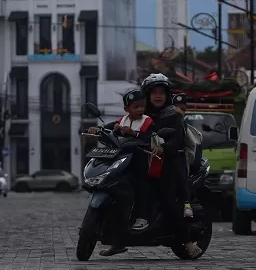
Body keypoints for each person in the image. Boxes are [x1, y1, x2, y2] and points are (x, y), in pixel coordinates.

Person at [141, 73, 203, 259]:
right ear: (147, 95)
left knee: (169, 202)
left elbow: (176, 140)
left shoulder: (173, 114)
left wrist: (163, 149)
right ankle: (117, 241)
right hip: (144, 161)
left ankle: (188, 242)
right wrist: (104, 129)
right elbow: (123, 125)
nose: (158, 96)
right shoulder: (140, 114)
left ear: (167, 95)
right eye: (154, 92)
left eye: (161, 92)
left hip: (168, 163)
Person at [87, 89, 154, 256]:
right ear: (127, 109)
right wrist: (96, 129)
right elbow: (108, 128)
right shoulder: (122, 120)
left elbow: (148, 137)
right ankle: (116, 242)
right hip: (122, 162)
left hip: (140, 162)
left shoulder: (147, 121)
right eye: (136, 106)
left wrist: (133, 133)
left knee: (141, 187)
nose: (140, 109)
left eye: (142, 106)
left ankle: (142, 218)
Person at [171, 92, 197, 218]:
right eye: (177, 108)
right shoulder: (164, 120)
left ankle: (187, 204)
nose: (180, 111)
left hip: (179, 158)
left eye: (183, 109)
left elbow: (191, 145)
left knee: (181, 174)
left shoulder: (184, 125)